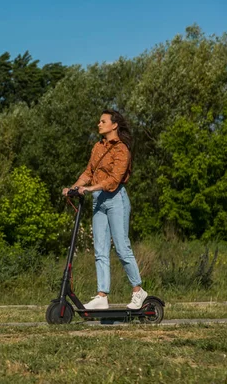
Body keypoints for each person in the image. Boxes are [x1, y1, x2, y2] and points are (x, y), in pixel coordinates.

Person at [62, 109, 147, 310]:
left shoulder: (122, 150)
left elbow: (114, 179)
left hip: (116, 199)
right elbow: (89, 172)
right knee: (100, 248)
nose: (99, 124)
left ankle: (138, 291)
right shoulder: (97, 147)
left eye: (103, 121)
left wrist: (90, 188)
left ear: (114, 125)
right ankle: (102, 295)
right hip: (98, 200)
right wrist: (73, 187)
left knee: (121, 247)